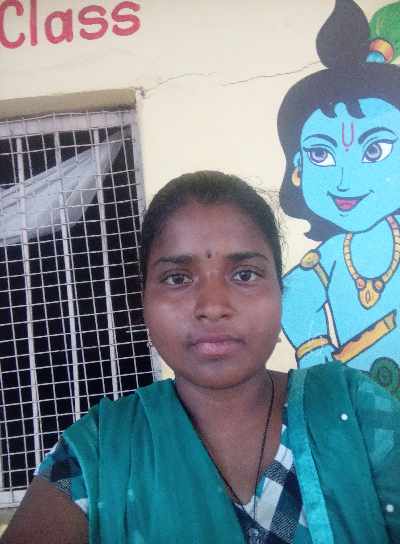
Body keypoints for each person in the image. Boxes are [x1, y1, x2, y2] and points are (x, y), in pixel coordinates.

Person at [2, 170, 400, 544]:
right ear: (143, 300)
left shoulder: (354, 411)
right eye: (177, 278)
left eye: (244, 274)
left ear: (280, 291)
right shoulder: (97, 455)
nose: (212, 306)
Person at [278, 0, 400, 395]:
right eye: (321, 155)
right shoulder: (331, 256)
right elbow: (295, 296)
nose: (346, 181)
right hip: (364, 411)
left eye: (375, 150)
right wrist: (315, 353)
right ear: (298, 167)